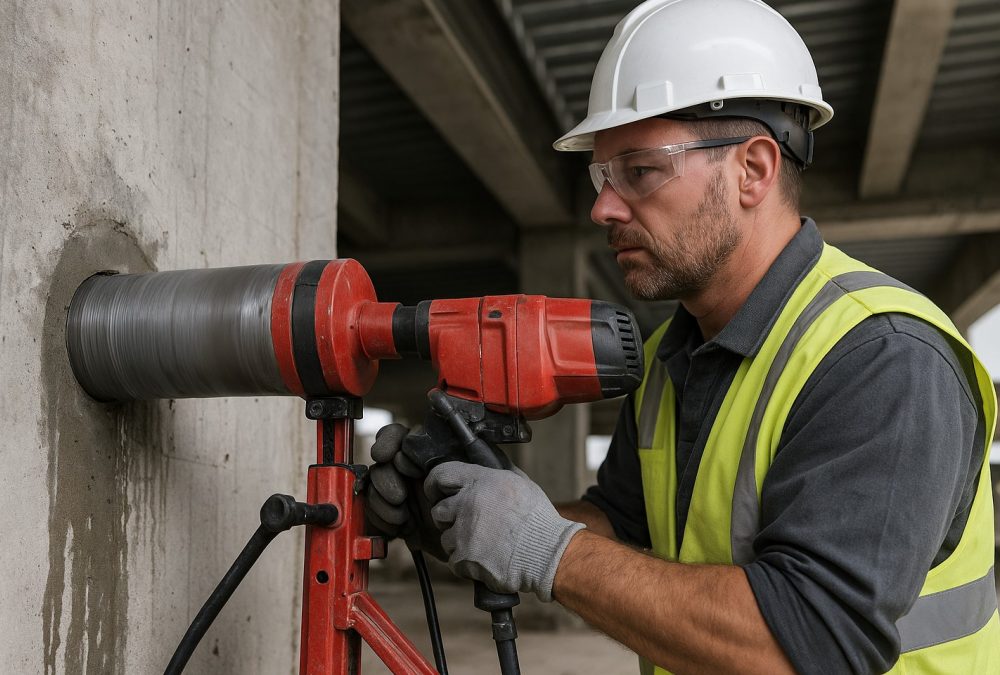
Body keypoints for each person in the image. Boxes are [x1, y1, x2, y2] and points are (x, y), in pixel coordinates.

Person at [365, 0, 999, 672]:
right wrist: (462, 516)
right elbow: (620, 525)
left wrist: (547, 549)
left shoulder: (882, 356)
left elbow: (810, 641)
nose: (603, 206)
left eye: (639, 170)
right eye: (602, 175)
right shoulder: (677, 353)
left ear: (752, 170)